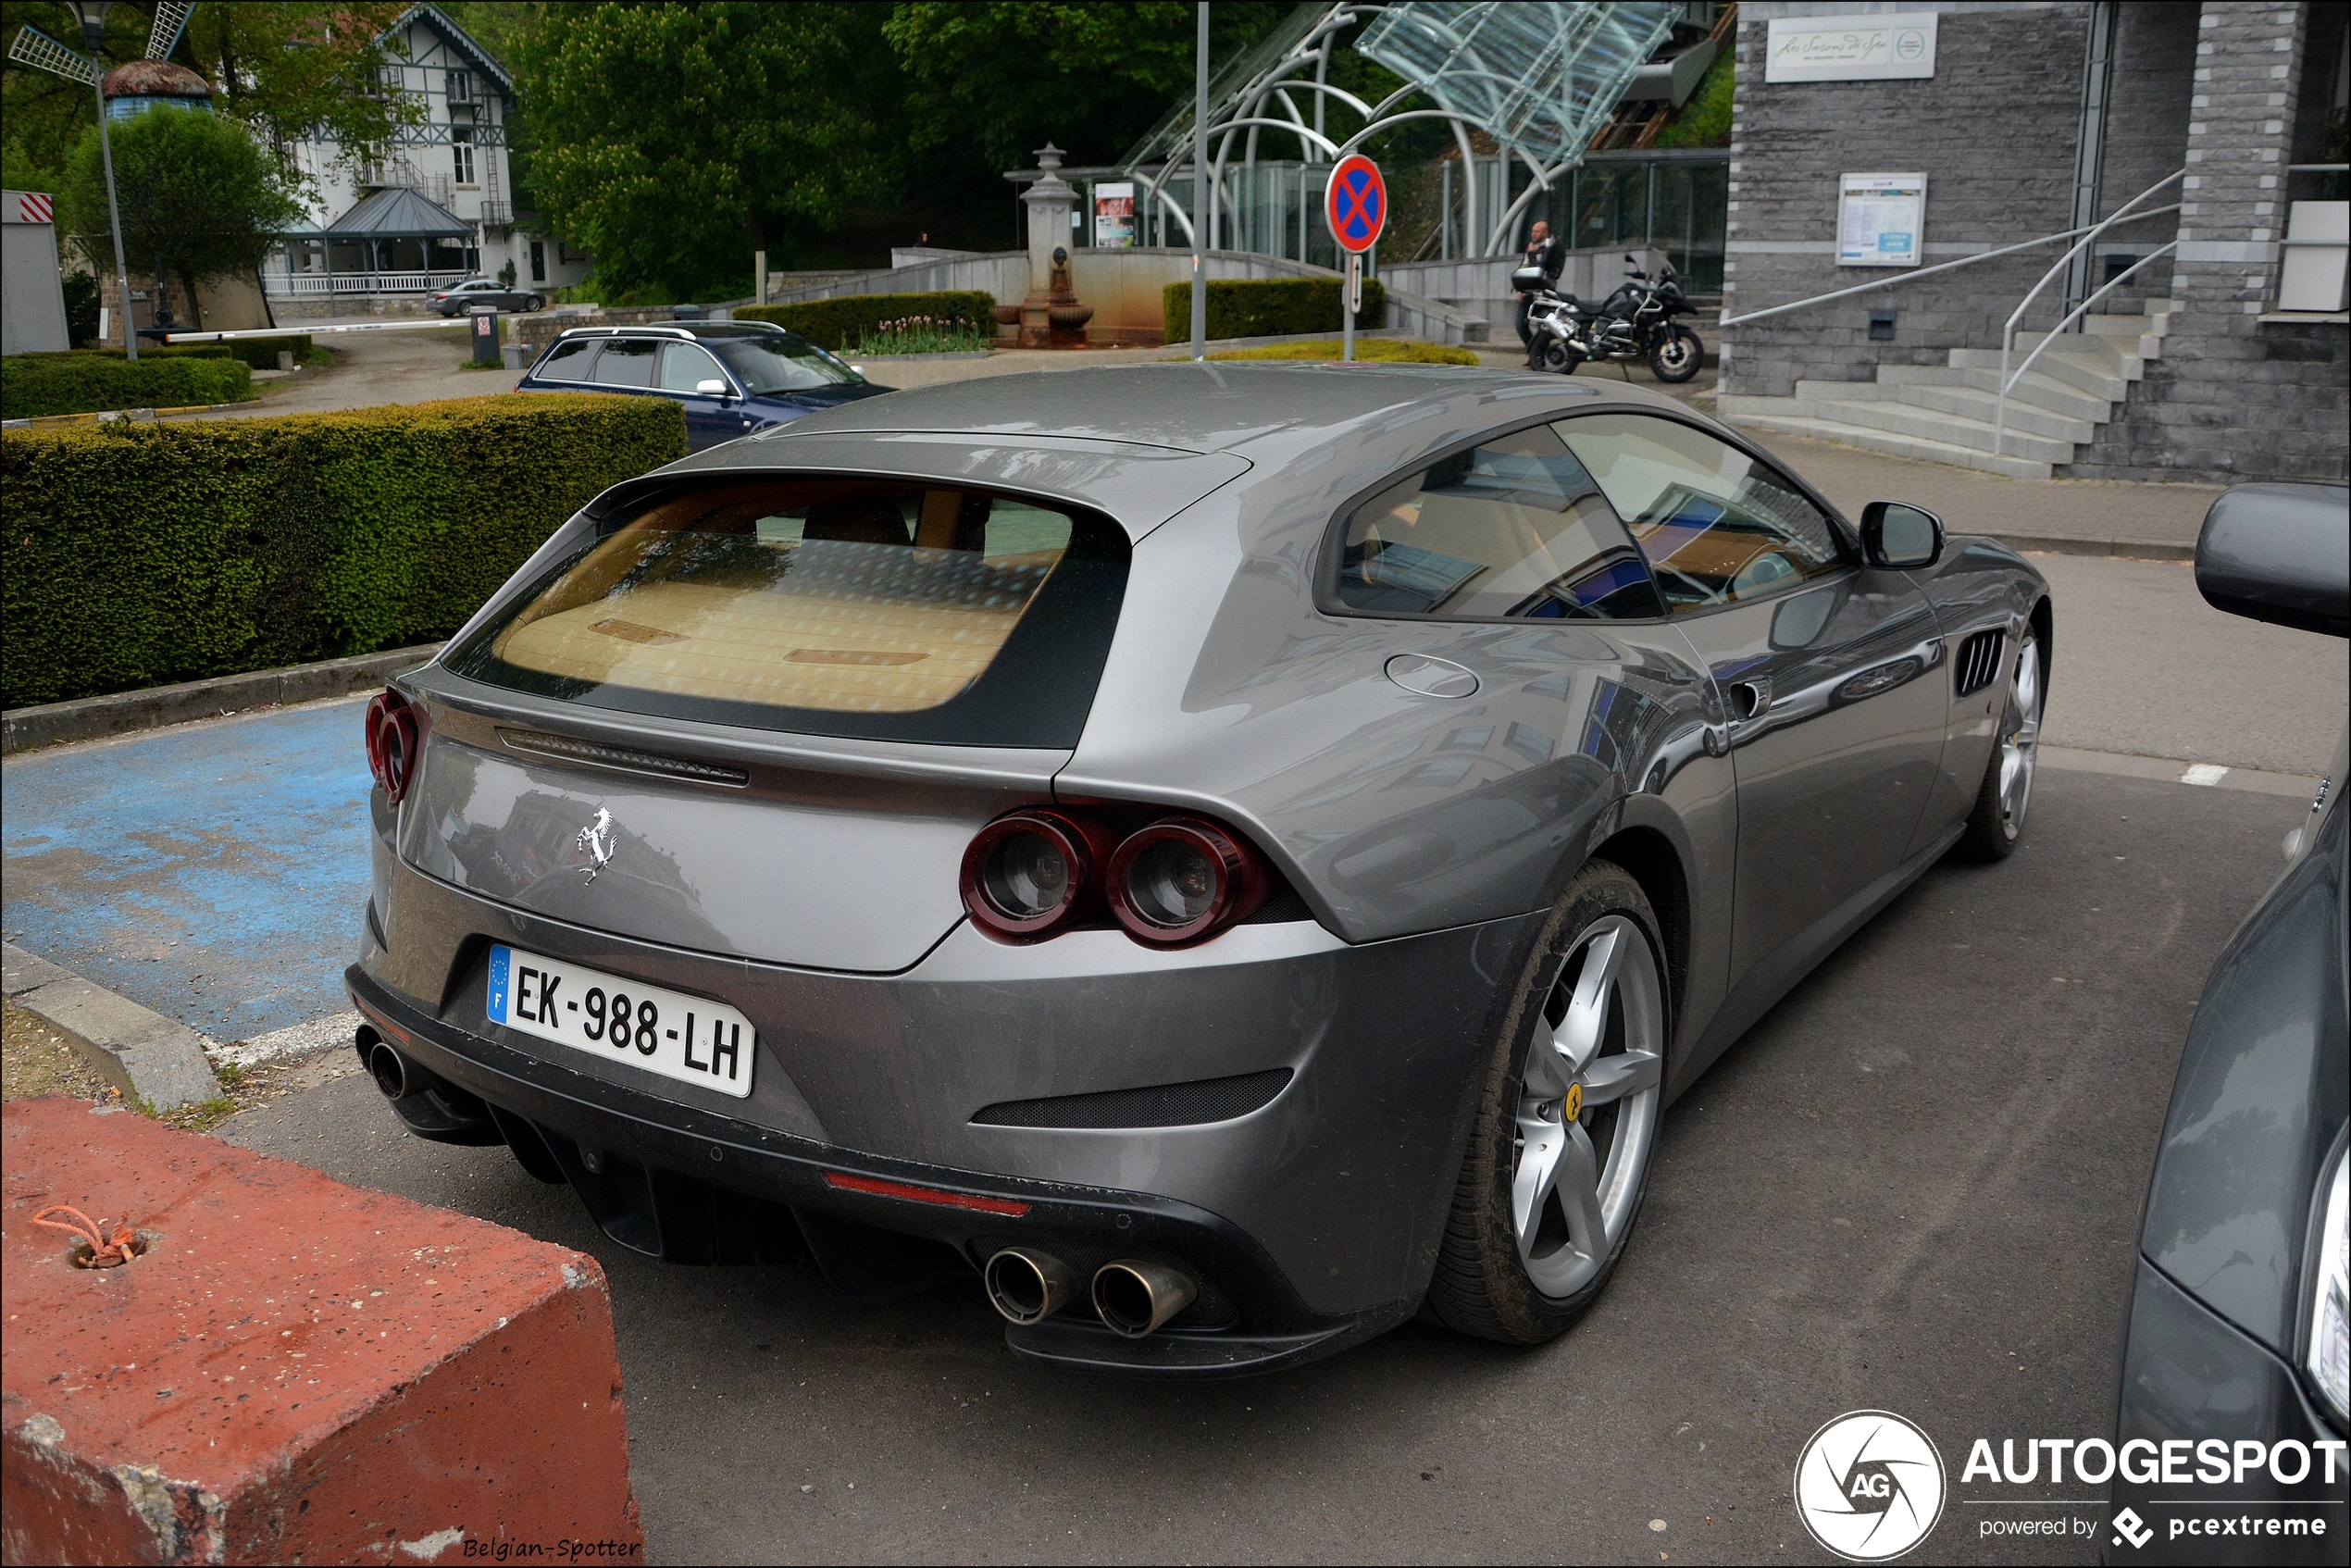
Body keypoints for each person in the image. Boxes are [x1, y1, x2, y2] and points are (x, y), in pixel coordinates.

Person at [1515, 220, 1565, 344]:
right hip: (1528, 292)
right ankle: (1533, 350)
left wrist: (1532, 254)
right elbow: (1524, 268)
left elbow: (1540, 269)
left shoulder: (1550, 246)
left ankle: (1539, 355)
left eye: (1537, 231)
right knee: (1520, 325)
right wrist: (1519, 289)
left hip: (1544, 292)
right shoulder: (1531, 246)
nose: (1533, 234)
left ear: (1545, 232)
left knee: (1542, 326)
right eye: (1532, 231)